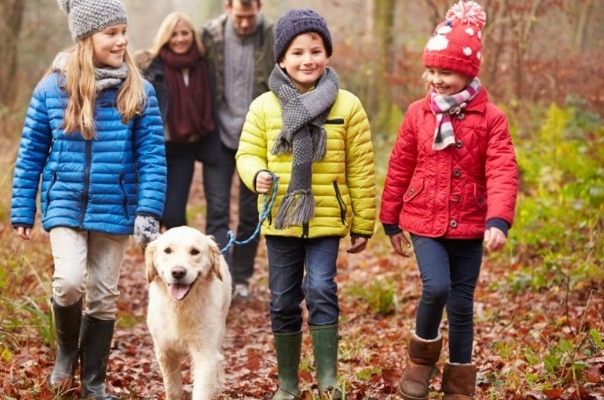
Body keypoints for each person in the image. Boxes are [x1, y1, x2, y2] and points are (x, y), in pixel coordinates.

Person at [10, 0, 166, 398]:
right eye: (110, 33)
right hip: (64, 202)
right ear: (85, 38)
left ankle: (93, 381)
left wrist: (148, 210)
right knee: (68, 282)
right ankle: (66, 353)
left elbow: (151, 156)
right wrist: (23, 207)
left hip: (116, 206)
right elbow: (32, 151)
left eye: (123, 32)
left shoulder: (139, 90)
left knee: (103, 294)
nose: (121, 41)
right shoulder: (52, 87)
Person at [379, 1, 518, 399]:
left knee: (460, 305)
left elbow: (502, 169)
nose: (438, 80)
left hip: (471, 223)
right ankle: (420, 361)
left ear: (468, 72)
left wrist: (498, 220)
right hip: (424, 221)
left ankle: (459, 382)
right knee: (436, 287)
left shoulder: (491, 118)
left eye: (447, 72)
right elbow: (401, 165)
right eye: (433, 71)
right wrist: (390, 219)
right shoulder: (417, 114)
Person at [236, 9, 377, 399]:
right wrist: (256, 175)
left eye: (315, 50)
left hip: (326, 219)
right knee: (282, 299)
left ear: (327, 54)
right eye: (297, 52)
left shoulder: (346, 105)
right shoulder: (264, 107)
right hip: (281, 218)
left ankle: (328, 378)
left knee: (320, 289)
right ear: (282, 59)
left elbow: (361, 168)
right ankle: (287, 383)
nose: (307, 60)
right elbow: (246, 154)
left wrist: (364, 223)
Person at [201, 0, 276, 300]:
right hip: (218, 136)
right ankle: (218, 276)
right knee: (217, 210)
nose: (245, 23)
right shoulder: (210, 35)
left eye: (250, 16)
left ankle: (241, 278)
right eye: (239, 17)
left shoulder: (271, 34)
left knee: (249, 212)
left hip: (258, 139)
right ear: (227, 6)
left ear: (259, 6)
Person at [140, 12, 215, 230]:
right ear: (166, 37)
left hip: (184, 149)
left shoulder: (202, 66)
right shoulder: (151, 66)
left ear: (193, 35)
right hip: (155, 148)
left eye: (185, 33)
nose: (180, 39)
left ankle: (178, 256)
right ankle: (157, 259)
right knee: (153, 211)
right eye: (174, 34)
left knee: (174, 214)